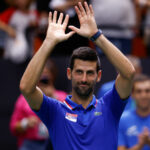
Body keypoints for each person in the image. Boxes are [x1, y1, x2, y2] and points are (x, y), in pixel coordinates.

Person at [19, 2, 135, 150]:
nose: (84, 79)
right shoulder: (55, 110)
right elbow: (26, 88)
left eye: (90, 73)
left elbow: (129, 73)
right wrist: (48, 42)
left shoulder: (110, 106)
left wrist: (96, 36)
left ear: (98, 76)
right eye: (79, 72)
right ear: (69, 73)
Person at [10, 59, 67, 150]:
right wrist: (25, 123)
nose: (43, 77)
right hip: (31, 144)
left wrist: (53, 96)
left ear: (52, 76)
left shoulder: (62, 96)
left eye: (46, 74)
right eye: (40, 73)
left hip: (55, 141)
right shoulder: (24, 99)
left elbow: (70, 120)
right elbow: (13, 127)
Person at [118, 74, 150, 150]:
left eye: (147, 91)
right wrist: (140, 145)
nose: (143, 95)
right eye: (139, 91)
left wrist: (148, 142)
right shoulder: (122, 120)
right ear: (132, 94)